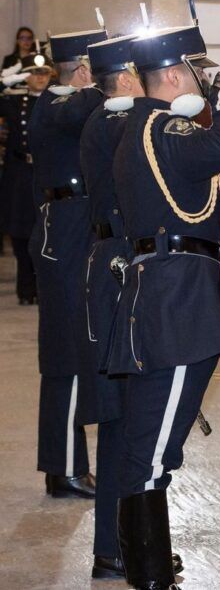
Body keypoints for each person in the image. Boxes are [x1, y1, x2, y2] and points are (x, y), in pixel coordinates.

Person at [108, 24, 220, 589]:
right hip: (176, 302)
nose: (198, 80)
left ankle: (149, 563)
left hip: (165, 294)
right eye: (194, 71)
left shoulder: (146, 127)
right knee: (154, 446)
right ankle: (148, 575)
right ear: (172, 75)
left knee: (152, 437)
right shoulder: (161, 126)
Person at [78, 34, 183, 581]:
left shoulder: (115, 120)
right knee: (126, 420)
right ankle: (117, 547)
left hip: (118, 266)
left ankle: (114, 545)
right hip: (120, 273)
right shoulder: (118, 122)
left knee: (127, 421)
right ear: (125, 80)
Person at [28, 28, 108, 502]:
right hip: (65, 234)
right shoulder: (56, 105)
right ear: (82, 70)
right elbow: (88, 106)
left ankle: (63, 465)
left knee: (72, 353)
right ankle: (65, 468)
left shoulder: (69, 103)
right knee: (68, 355)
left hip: (77, 228)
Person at [0, 55, 48, 304]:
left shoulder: (57, 99)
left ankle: (42, 285)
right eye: (33, 72)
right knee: (20, 233)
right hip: (19, 172)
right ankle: (26, 288)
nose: (40, 77)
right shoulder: (15, 100)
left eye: (44, 72)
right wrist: (6, 79)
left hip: (46, 172)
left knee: (43, 231)